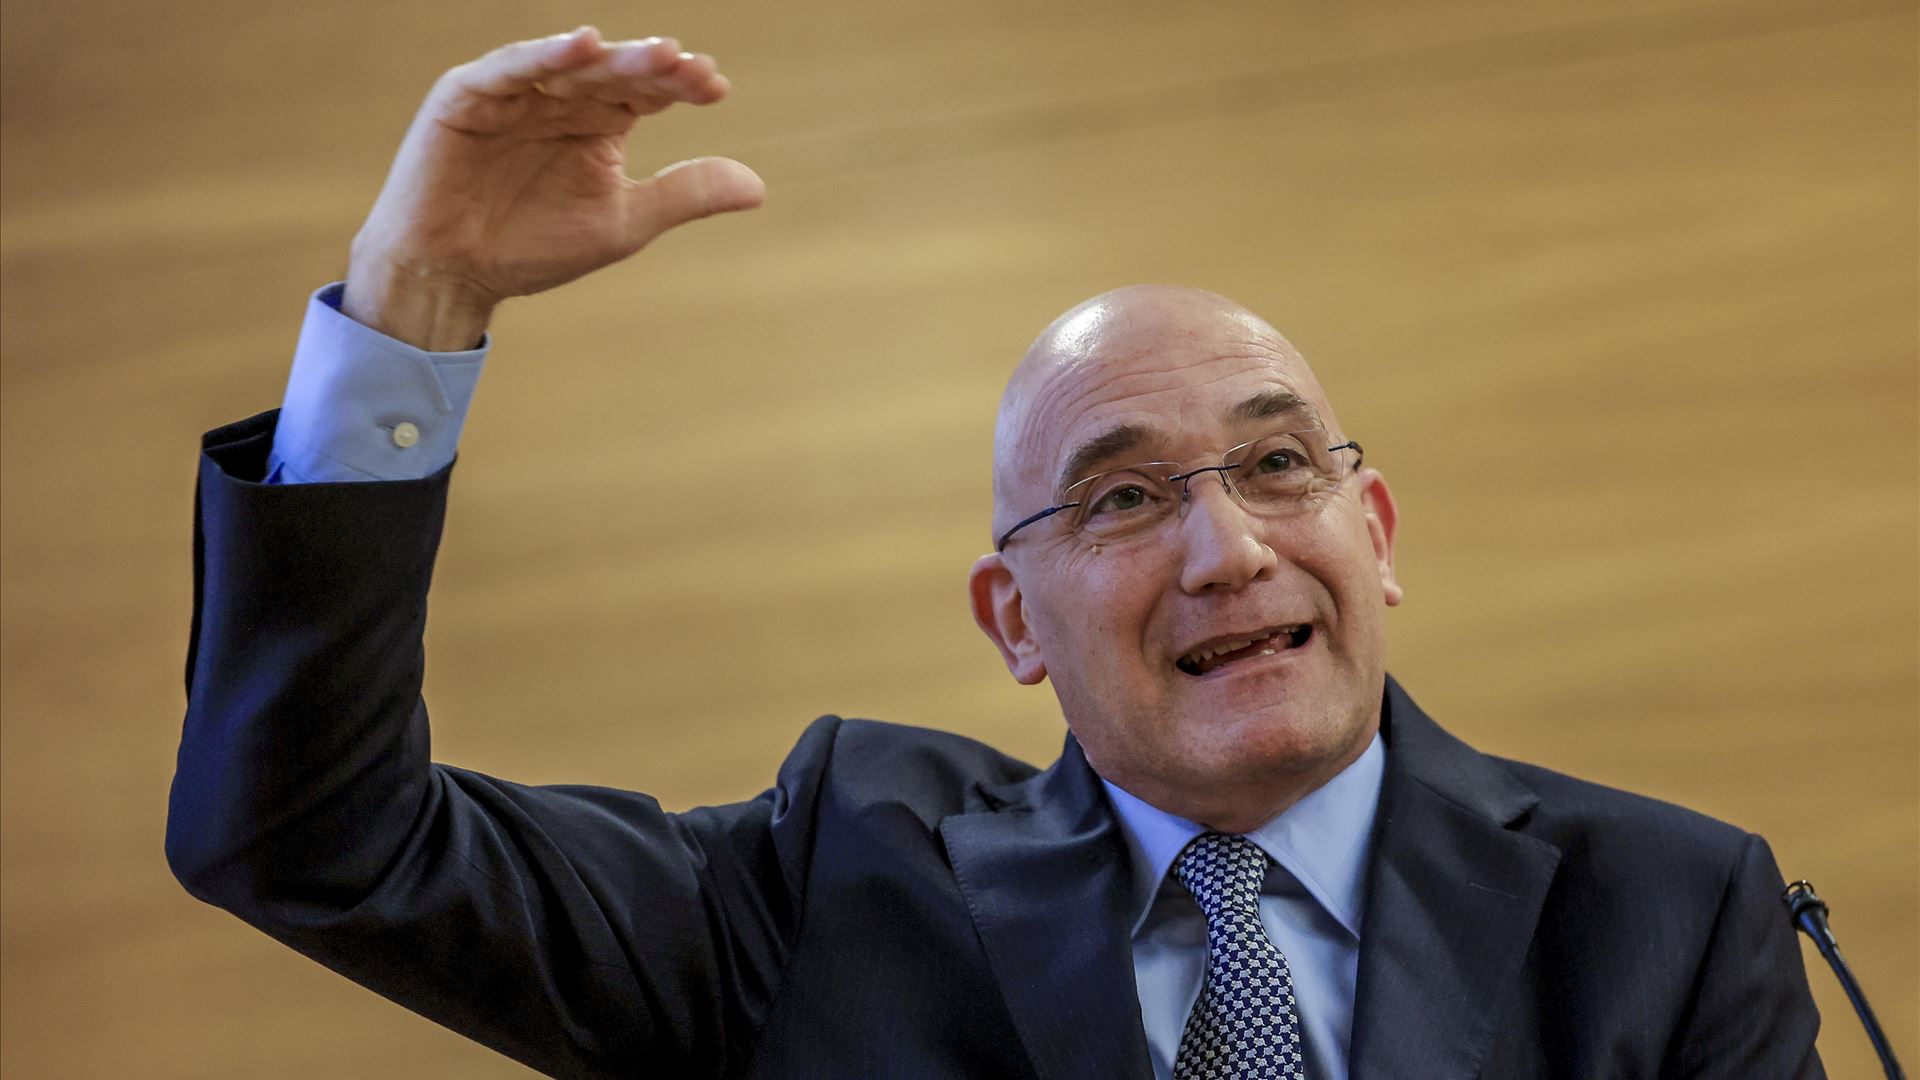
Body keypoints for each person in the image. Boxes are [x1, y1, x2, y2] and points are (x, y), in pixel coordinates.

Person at [165, 27, 1825, 1080]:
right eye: (1123, 500)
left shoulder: (1665, 915)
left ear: (1373, 533)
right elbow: (315, 839)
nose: (1227, 548)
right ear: (1012, 621)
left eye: (1275, 466)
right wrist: (415, 306)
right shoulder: (831, 890)